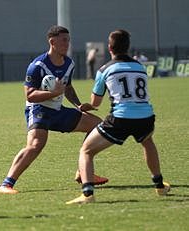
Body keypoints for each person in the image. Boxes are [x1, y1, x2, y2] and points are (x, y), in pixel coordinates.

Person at [0, 25, 108, 194]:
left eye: (68, 40)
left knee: (96, 125)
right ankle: (6, 184)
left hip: (57, 110)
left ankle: (83, 172)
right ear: (52, 42)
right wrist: (52, 93)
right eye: (64, 40)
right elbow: (30, 95)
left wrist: (78, 105)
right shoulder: (37, 66)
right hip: (38, 110)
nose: (67, 44)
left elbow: (67, 87)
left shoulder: (69, 63)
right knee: (35, 145)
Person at [66, 29, 170, 204]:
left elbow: (96, 102)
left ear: (109, 47)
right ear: (127, 47)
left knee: (86, 151)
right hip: (146, 117)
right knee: (147, 142)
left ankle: (87, 194)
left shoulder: (104, 69)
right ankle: (159, 185)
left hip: (120, 118)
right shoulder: (140, 67)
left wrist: (88, 106)